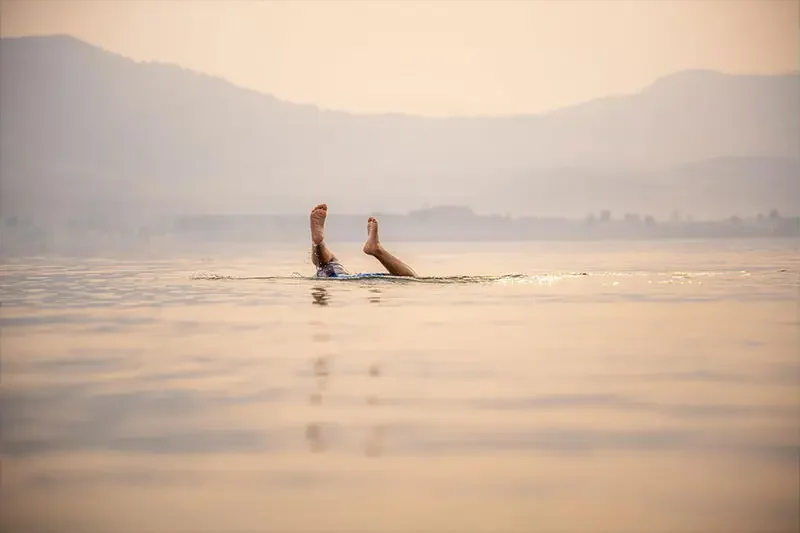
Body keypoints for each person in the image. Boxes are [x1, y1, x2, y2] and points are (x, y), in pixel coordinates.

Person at [309, 203, 417, 278]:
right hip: (366, 278)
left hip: (338, 276)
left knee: (327, 264)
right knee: (410, 277)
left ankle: (318, 244)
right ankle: (378, 250)